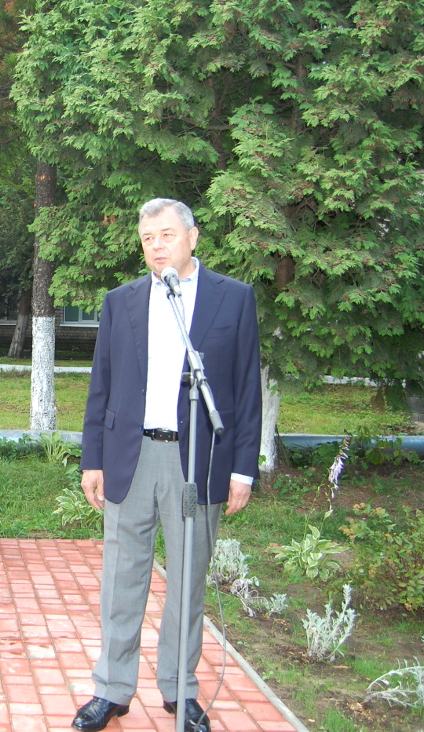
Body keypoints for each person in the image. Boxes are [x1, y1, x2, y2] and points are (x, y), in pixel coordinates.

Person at [72, 198, 262, 732]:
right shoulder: (121, 300)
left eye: (167, 235)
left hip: (196, 458)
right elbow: (101, 385)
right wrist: (93, 460)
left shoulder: (234, 299)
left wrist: (242, 469)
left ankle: (180, 691)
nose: (157, 246)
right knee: (121, 579)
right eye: (149, 238)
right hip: (129, 457)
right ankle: (111, 690)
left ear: (193, 237)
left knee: (188, 584)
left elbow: (248, 390)